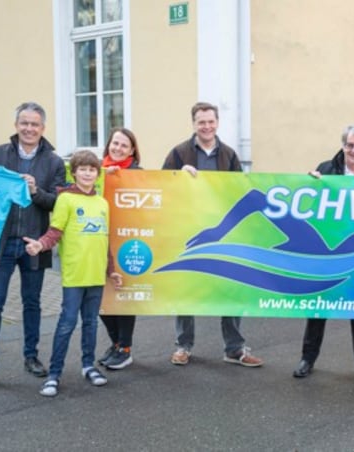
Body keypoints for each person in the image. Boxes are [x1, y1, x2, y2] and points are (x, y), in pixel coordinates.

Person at [0, 102, 66, 393]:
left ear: (43, 128)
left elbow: (59, 203)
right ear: (16, 125)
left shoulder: (53, 162)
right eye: (24, 123)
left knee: (33, 303)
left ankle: (31, 357)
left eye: (34, 124)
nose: (29, 129)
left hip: (34, 245)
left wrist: (37, 191)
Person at [161, 102, 263, 367]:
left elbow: (238, 191)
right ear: (193, 124)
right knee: (187, 289)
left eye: (210, 121)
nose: (206, 126)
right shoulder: (179, 153)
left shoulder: (228, 155)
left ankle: (234, 348)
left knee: (231, 288)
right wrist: (177, 176)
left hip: (223, 232)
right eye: (201, 122)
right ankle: (183, 346)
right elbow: (161, 186)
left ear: (217, 123)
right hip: (188, 229)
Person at [293, 125, 354, 381]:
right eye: (350, 145)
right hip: (328, 248)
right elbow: (310, 202)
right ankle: (307, 358)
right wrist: (308, 182)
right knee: (318, 307)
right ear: (343, 145)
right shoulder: (325, 170)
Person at [23, 150, 123, 397]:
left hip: (96, 276)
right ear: (74, 172)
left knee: (90, 324)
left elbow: (105, 241)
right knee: (67, 324)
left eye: (92, 169)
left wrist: (112, 271)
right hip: (74, 276)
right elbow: (54, 232)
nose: (87, 173)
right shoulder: (65, 199)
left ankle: (88, 366)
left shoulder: (102, 204)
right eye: (83, 169)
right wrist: (40, 244)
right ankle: (54, 374)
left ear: (96, 174)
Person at [97, 127, 142, 371]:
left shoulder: (138, 174)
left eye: (124, 145)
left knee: (122, 296)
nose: (118, 148)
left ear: (132, 150)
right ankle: (115, 343)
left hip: (126, 242)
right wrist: (102, 175)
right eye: (115, 143)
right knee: (99, 298)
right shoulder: (94, 171)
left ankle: (125, 349)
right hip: (97, 242)